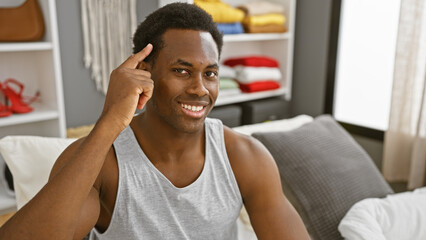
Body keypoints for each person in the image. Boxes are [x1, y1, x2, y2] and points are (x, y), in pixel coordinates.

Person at [0, 3, 310, 239]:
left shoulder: (244, 156)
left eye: (210, 74)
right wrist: (110, 122)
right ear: (143, 72)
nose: (200, 89)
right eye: (182, 70)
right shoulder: (103, 163)